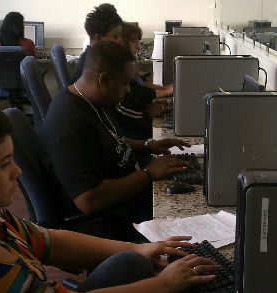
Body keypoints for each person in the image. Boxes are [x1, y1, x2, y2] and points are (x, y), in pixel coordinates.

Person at [0, 92, 219, 293]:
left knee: (134, 262)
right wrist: (164, 285)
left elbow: (48, 241)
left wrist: (140, 247)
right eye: (5, 165)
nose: (16, 172)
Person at [41, 41, 192, 241]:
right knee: (190, 229)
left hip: (127, 197)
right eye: (125, 83)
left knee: (191, 191)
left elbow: (111, 140)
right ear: (103, 79)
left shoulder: (94, 99)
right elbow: (89, 200)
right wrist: (148, 174)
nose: (129, 90)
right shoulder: (70, 124)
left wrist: (148, 145)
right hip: (104, 222)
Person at [70, 3, 123, 84]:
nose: (120, 41)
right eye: (115, 37)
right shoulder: (97, 63)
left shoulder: (92, 56)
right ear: (98, 38)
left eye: (120, 36)